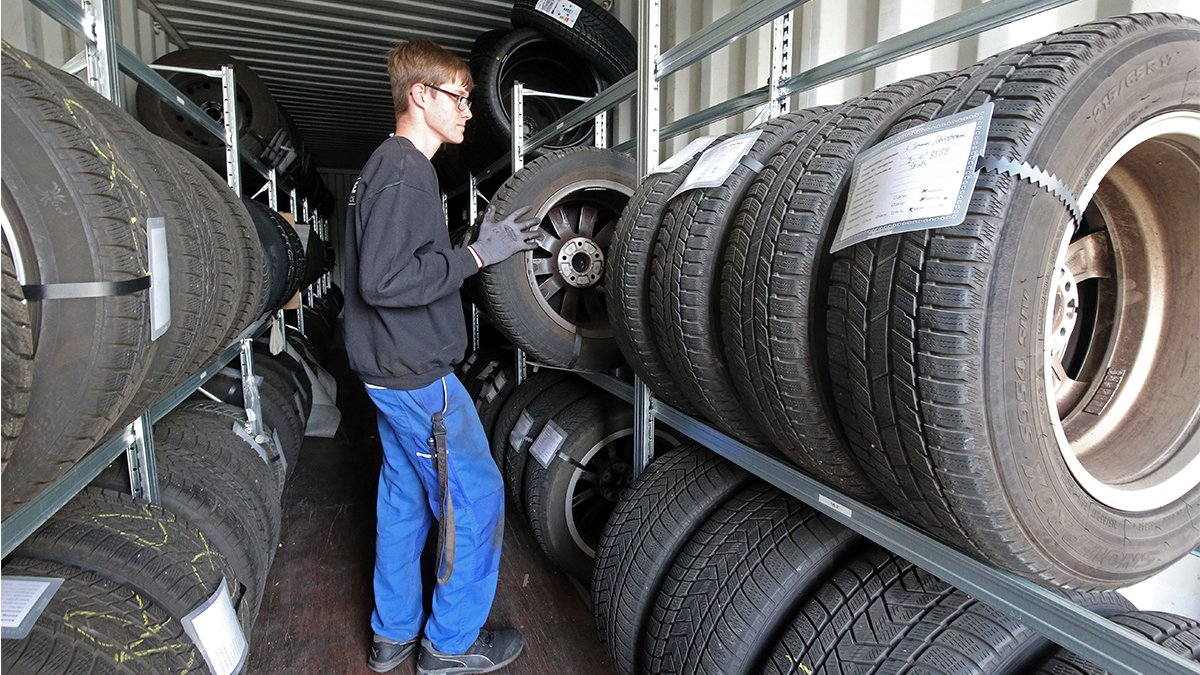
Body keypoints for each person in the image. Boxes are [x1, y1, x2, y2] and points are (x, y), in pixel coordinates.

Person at [343, 38, 539, 675]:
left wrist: (461, 245)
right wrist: (477, 256)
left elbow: (397, 262)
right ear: (420, 97)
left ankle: (391, 635)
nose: (469, 111)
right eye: (458, 97)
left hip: (387, 374)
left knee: (403, 499)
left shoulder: (387, 169)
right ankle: (450, 645)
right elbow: (385, 281)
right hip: (419, 378)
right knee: (474, 498)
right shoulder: (405, 170)